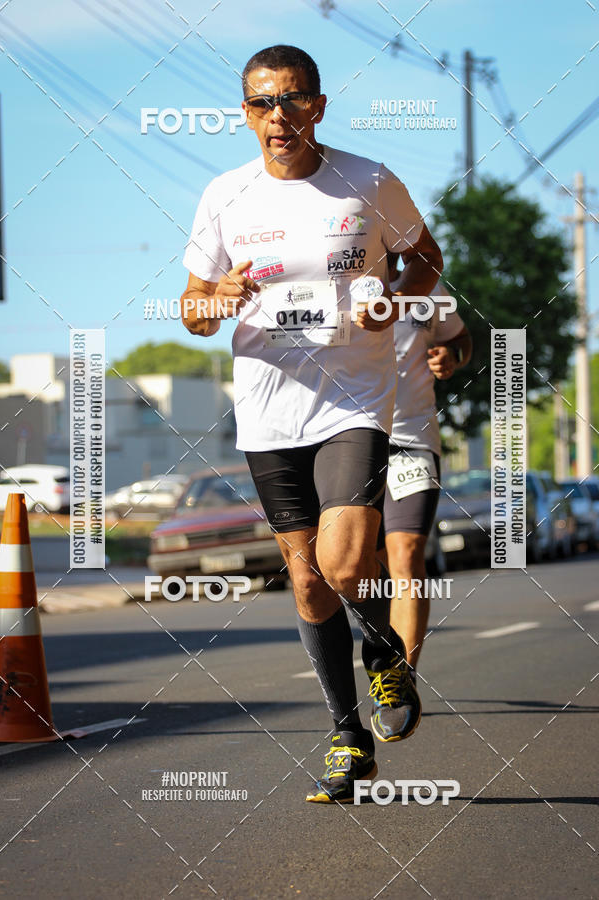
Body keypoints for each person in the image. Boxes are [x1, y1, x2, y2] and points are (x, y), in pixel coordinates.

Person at [180, 44, 443, 803]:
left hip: (354, 399)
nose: (278, 118)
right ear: (245, 114)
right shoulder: (225, 197)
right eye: (263, 104)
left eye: (293, 101)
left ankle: (387, 655)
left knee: (344, 561)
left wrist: (392, 299)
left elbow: (425, 259)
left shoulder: (366, 181)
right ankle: (345, 731)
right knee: (304, 582)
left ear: (319, 107)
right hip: (267, 410)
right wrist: (216, 297)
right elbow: (193, 309)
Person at [366, 259, 471, 744]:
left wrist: (452, 357)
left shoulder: (428, 289)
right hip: (347, 443)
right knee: (363, 566)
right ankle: (382, 656)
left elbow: (460, 339)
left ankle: (401, 680)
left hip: (412, 441)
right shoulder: (330, 283)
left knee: (407, 557)